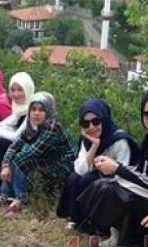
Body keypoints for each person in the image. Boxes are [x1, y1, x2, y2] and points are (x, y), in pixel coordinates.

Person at [78, 89, 148, 247]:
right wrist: (114, 168)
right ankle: (117, 238)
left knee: (111, 192)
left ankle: (127, 245)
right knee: (103, 185)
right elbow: (140, 170)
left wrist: (117, 168)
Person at [57, 99, 139, 231]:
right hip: (97, 174)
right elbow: (80, 170)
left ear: (104, 120)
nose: (91, 127)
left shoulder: (119, 140)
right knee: (74, 178)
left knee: (88, 180)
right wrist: (94, 146)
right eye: (85, 123)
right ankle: (77, 220)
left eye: (96, 121)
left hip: (118, 181)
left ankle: (96, 224)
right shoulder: (87, 139)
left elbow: (125, 173)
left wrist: (104, 170)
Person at [0, 92, 74, 214]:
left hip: (62, 163)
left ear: (48, 111)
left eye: (41, 110)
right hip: (45, 159)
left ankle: (21, 199)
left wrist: (9, 163)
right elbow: (13, 147)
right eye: (33, 109)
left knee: (19, 160)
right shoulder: (32, 126)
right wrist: (5, 166)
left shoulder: (53, 127)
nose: (36, 113)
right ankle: (5, 195)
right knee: (16, 158)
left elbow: (32, 152)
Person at [0, 72, 35, 198]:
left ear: (28, 89)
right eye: (13, 90)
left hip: (29, 145)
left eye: (20, 90)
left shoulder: (33, 109)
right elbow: (6, 122)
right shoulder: (18, 108)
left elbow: (18, 136)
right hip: (19, 142)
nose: (16, 94)